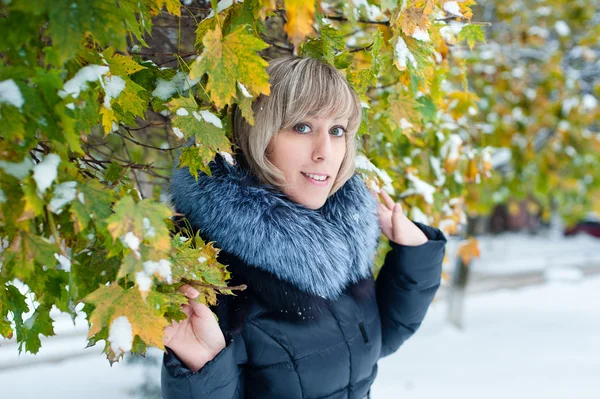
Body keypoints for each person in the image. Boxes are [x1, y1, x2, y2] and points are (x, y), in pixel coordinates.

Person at [162, 56, 447, 399]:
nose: (325, 152)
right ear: (258, 134)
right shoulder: (214, 265)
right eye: (301, 127)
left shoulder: (342, 236)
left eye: (337, 130)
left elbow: (376, 340)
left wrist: (414, 256)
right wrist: (201, 368)